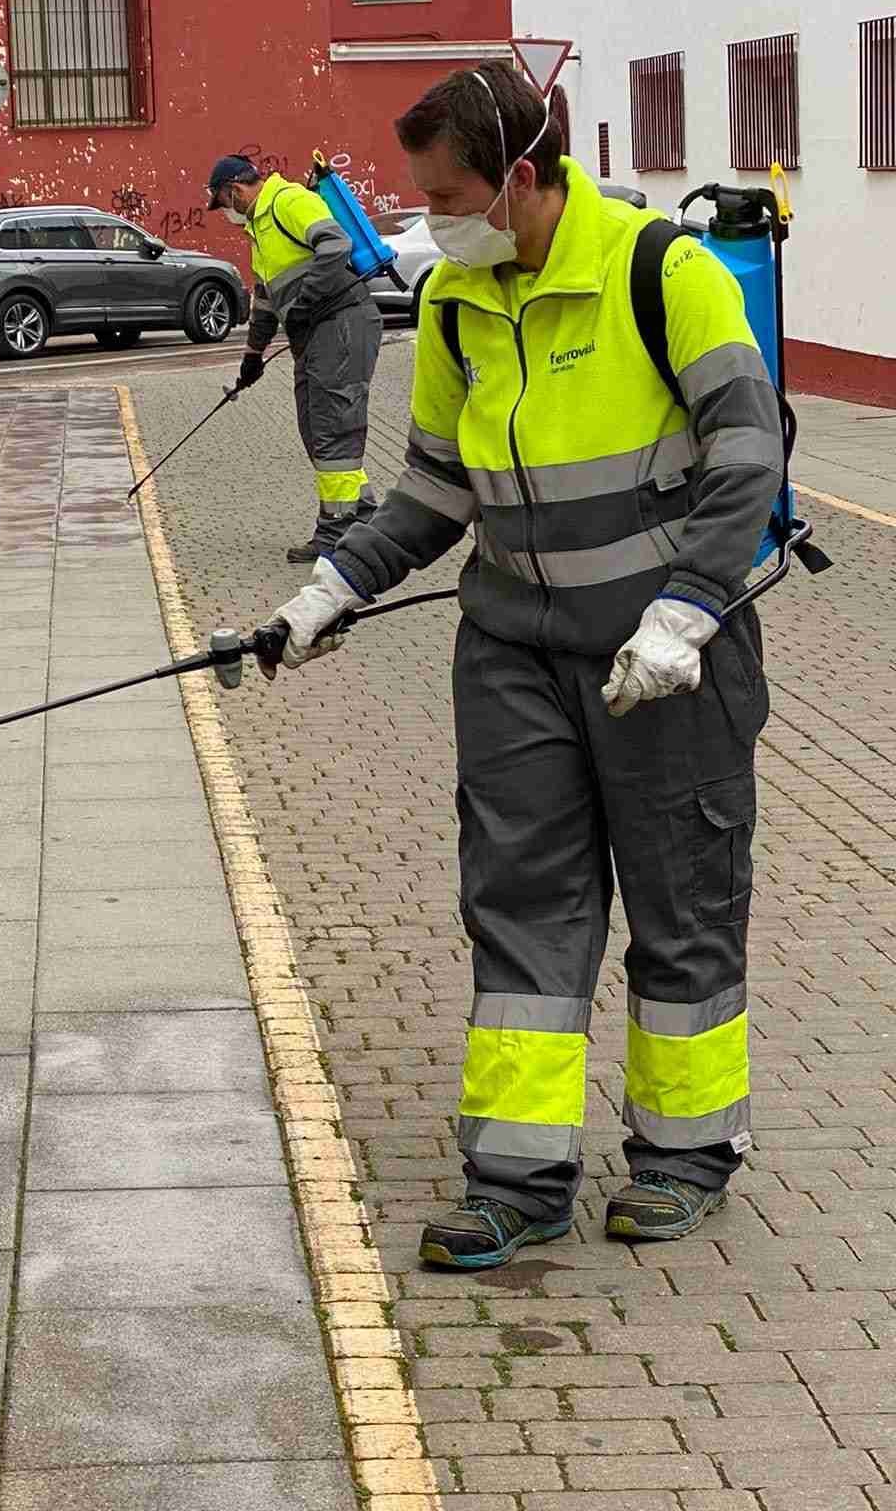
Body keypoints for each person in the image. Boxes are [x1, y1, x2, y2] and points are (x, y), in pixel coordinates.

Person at [263, 62, 782, 1268]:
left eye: (447, 194)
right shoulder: (457, 295)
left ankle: (686, 1154)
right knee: (521, 906)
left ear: (526, 181)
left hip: (668, 656)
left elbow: (749, 448)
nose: (430, 217)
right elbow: (439, 485)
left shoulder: (665, 273)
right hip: (513, 652)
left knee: (681, 896)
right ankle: (518, 1177)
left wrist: (690, 608)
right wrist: (332, 590)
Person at [206, 154, 383, 563]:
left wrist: (307, 300)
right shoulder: (258, 231)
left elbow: (336, 244)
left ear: (234, 190)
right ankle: (363, 514)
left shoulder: (288, 201)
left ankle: (339, 534)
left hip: (341, 323)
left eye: (224, 202)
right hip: (315, 333)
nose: (226, 212)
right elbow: (265, 302)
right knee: (316, 427)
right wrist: (252, 356)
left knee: (333, 428)